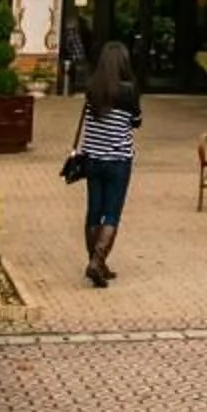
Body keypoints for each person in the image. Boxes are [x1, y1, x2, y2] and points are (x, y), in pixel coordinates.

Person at [77, 39, 141, 287]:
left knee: (94, 210)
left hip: (92, 158)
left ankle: (97, 262)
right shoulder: (129, 90)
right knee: (112, 213)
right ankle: (97, 261)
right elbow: (135, 121)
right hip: (118, 159)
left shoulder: (93, 88)